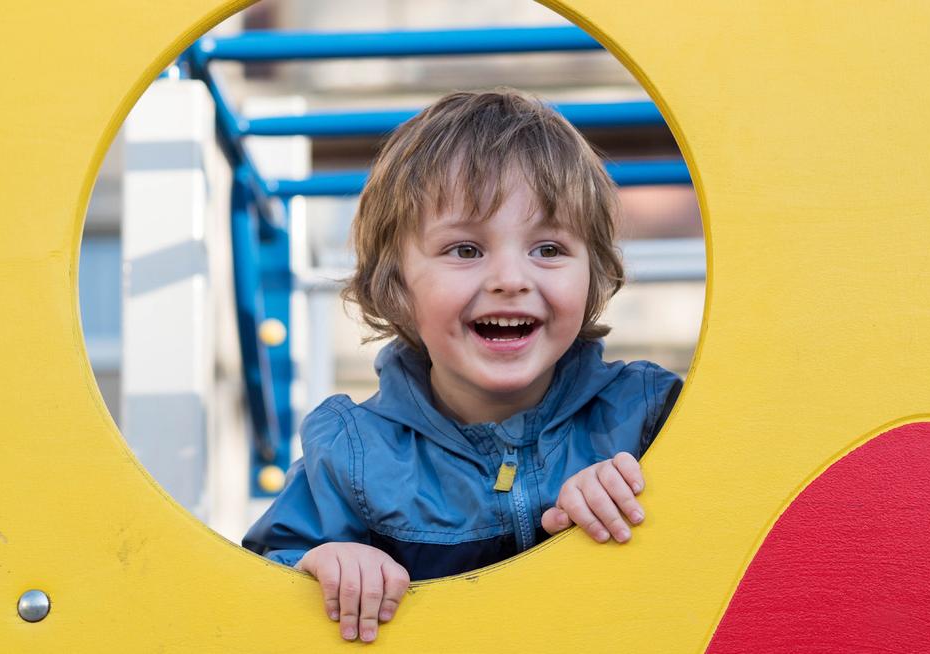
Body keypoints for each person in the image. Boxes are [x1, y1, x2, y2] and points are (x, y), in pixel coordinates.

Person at [242, 88, 682, 643]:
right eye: (465, 250)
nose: (510, 278)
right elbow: (259, 578)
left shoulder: (644, 417)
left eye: (548, 248)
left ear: (592, 273)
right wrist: (327, 562)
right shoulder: (353, 454)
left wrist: (641, 495)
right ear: (396, 286)